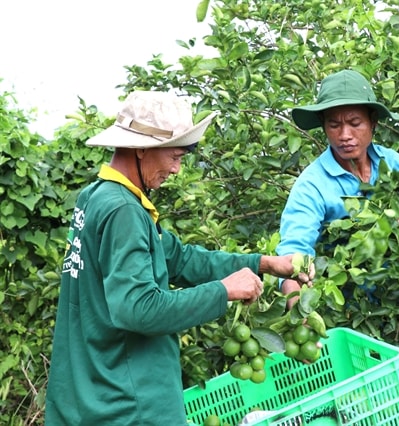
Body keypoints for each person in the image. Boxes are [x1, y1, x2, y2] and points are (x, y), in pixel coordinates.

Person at [44, 91, 314, 426]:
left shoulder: (97, 196)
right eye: (173, 157)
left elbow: (178, 259)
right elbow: (137, 308)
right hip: (127, 403)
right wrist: (222, 291)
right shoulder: (123, 210)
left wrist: (265, 263)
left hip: (91, 390)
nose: (176, 169)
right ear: (140, 148)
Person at [276, 70, 399, 307]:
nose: (345, 135)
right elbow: (293, 251)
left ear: (372, 123)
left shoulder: (392, 163)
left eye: (355, 123)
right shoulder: (312, 184)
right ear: (324, 127)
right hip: (346, 309)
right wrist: (298, 305)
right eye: (334, 125)